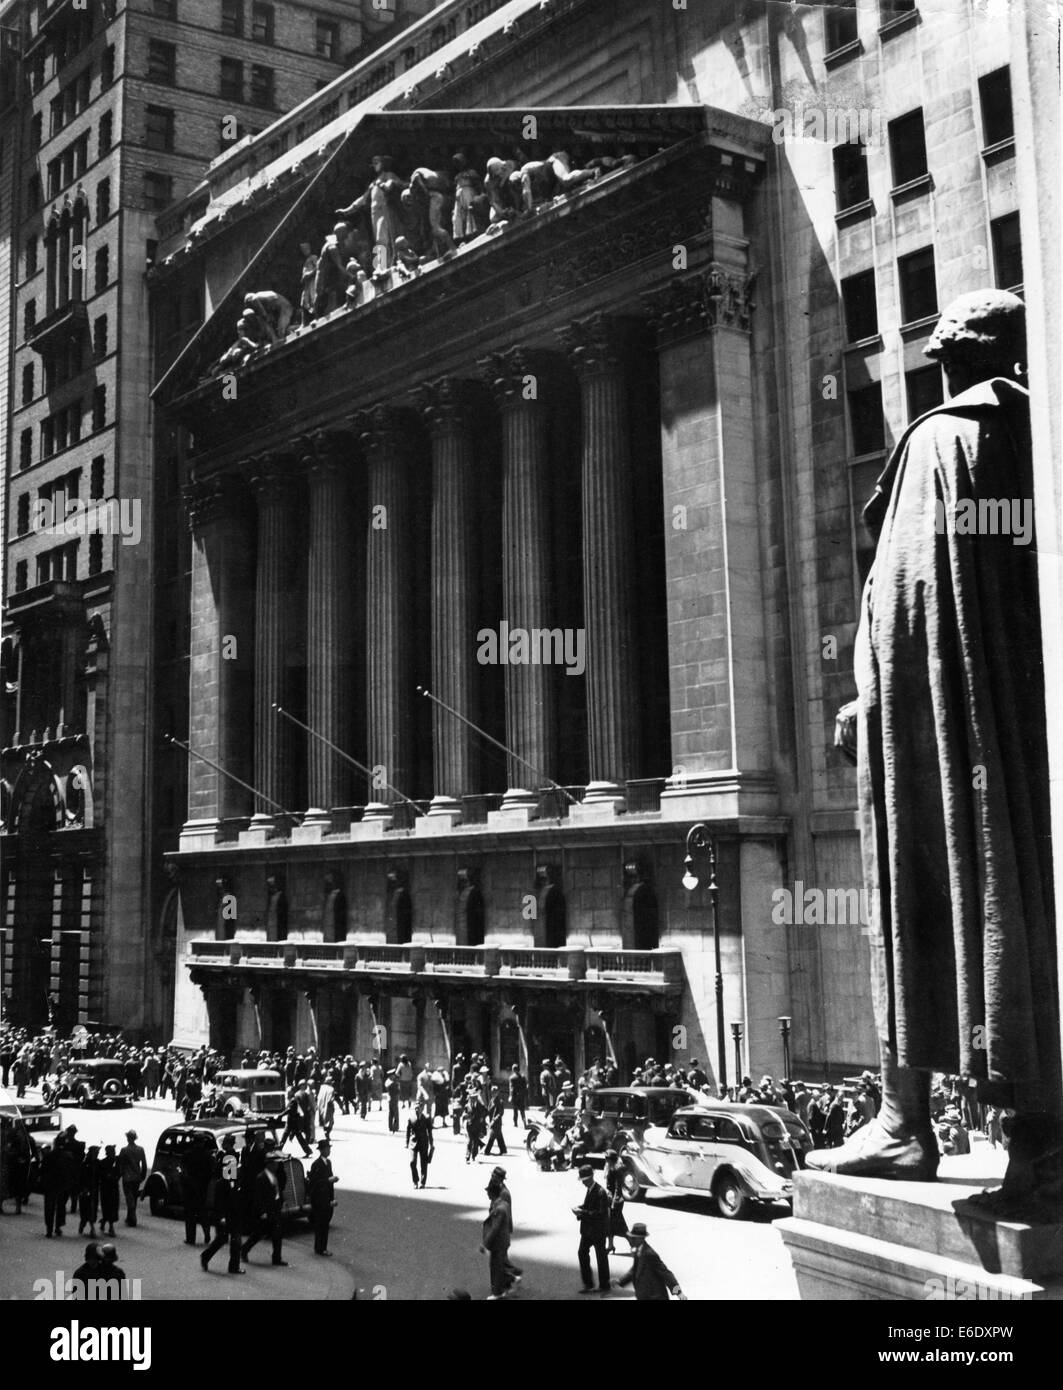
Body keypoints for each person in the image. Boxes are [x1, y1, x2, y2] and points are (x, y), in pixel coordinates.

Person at [814, 290, 1061, 1202]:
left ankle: (901, 1121)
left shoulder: (943, 439)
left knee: (921, 906)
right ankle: (1037, 1138)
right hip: (1021, 736)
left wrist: (869, 707)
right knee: (1016, 903)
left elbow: (911, 603)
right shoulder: (1039, 431)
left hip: (943, 742)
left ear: (954, 361)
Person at [201, 1133, 243, 1274]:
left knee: (223, 1238)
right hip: (229, 1208)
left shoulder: (223, 1157)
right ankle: (233, 1266)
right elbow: (230, 1183)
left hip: (227, 1207)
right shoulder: (230, 1158)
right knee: (232, 1238)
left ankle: (207, 1257)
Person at [240, 1141, 288, 1266]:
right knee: (258, 1234)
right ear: (269, 1165)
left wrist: (281, 1202)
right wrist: (263, 1212)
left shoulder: (274, 1176)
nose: (277, 1166)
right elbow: (259, 1197)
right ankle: (244, 1250)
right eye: (275, 1164)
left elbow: (278, 1190)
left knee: (277, 1234)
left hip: (274, 1209)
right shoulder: (261, 1178)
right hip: (266, 1211)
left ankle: (276, 1258)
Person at [613, 1223, 686, 1301]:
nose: (630, 1240)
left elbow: (666, 1274)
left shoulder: (649, 1254)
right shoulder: (639, 1251)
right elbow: (634, 1270)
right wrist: (620, 1281)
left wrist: (679, 1293)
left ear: (641, 1239)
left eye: (633, 1238)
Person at [573, 1164, 611, 1294]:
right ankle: (588, 1283)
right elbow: (588, 1205)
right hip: (588, 1230)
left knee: (601, 1257)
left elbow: (600, 1214)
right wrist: (580, 1208)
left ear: (589, 1178)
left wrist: (582, 1213)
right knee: (582, 1253)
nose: (582, 1183)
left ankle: (604, 1284)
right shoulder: (590, 1190)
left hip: (598, 1231)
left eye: (583, 1180)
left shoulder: (600, 1192)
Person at [480, 1169, 514, 1300]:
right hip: (502, 1235)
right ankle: (507, 1282)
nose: (492, 1177)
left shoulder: (504, 1194)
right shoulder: (497, 1190)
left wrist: (485, 1244)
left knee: (498, 1263)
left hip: (500, 1236)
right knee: (501, 1262)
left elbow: (498, 1224)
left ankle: (503, 1286)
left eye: (494, 1176)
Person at [180, 1132, 213, 1247]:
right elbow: (211, 1172)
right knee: (202, 1211)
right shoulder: (208, 1155)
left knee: (190, 1214)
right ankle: (206, 1231)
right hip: (202, 1187)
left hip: (190, 1187)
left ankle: (191, 1238)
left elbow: (182, 1170)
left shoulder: (188, 1154)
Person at [308, 1138, 338, 1255]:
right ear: (321, 1150)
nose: (328, 1151)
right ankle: (320, 1248)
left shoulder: (328, 1163)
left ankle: (322, 1247)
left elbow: (329, 1183)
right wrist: (328, 1180)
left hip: (327, 1198)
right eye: (326, 1149)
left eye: (329, 1149)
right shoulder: (316, 1164)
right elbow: (315, 1182)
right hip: (319, 1199)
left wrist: (332, 1198)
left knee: (325, 1224)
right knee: (320, 1224)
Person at [603, 1151, 629, 1255]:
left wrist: (614, 1202)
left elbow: (618, 1188)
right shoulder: (610, 1167)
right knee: (609, 1224)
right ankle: (610, 1245)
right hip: (610, 1199)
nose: (606, 1161)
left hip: (616, 1200)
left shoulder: (617, 1169)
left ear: (611, 1160)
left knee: (621, 1227)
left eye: (607, 1159)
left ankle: (636, 1244)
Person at [119, 1130, 146, 1227]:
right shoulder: (140, 1149)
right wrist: (142, 1176)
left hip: (127, 1177)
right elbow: (144, 1164)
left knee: (129, 1197)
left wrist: (120, 1174)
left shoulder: (124, 1150)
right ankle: (129, 1216)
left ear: (128, 1138)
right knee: (134, 1197)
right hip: (136, 1177)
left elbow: (120, 1164)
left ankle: (132, 1218)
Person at [406, 1103, 435, 1189]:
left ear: (422, 1109)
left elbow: (429, 1132)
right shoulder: (411, 1119)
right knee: (412, 1162)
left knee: (424, 1163)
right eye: (415, 1108)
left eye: (419, 1108)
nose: (417, 1110)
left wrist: (431, 1144)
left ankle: (423, 1182)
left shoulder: (426, 1118)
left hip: (423, 1143)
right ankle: (415, 1181)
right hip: (413, 1143)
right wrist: (407, 1142)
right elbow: (408, 1131)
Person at [464, 1091, 487, 1164]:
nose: (473, 1099)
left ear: (477, 1098)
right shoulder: (467, 1106)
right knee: (470, 1141)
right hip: (469, 1126)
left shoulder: (480, 1105)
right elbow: (464, 1115)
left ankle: (473, 1156)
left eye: (474, 1098)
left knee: (476, 1142)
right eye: (471, 1098)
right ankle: (467, 1157)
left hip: (477, 1126)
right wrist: (467, 1117)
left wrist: (482, 1118)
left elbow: (486, 1111)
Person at [483, 1091, 507, 1156]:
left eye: (495, 1092)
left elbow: (500, 1113)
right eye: (492, 1092)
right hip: (492, 1122)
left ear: (497, 1093)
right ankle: (503, 1150)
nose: (493, 1093)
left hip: (497, 1122)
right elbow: (488, 1110)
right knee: (499, 1136)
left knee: (492, 1136)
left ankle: (487, 1151)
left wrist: (495, 1119)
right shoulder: (491, 1100)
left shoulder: (500, 1101)